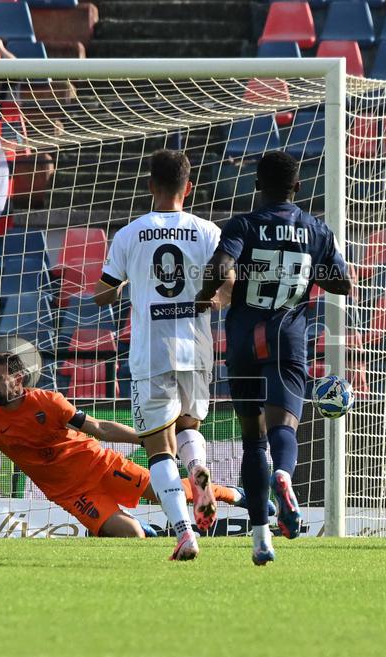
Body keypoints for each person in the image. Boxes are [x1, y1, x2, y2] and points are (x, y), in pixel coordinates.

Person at [0, 353, 258, 540]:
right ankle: (144, 527)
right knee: (133, 537)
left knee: (174, 493)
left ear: (18, 378)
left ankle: (236, 494)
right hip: (73, 494)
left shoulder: (49, 402)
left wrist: (147, 439)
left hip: (102, 465)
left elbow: (98, 428)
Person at [195, 150, 352, 566]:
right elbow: (343, 283)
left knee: (252, 439)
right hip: (287, 340)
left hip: (244, 341)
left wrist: (203, 296)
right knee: (284, 426)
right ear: (297, 187)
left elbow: (221, 267)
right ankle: (284, 473)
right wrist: (309, 268)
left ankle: (261, 537)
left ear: (257, 185)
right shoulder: (316, 229)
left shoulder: (242, 225)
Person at [92, 149, 233, 561]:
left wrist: (122, 284)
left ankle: (184, 532)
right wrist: (213, 300)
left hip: (151, 351)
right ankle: (198, 468)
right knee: (188, 426)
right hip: (196, 347)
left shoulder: (129, 234)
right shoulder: (208, 231)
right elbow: (229, 287)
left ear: (150, 185)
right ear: (188, 188)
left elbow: (103, 294)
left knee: (158, 449)